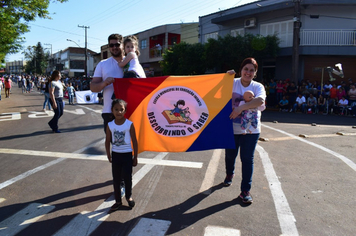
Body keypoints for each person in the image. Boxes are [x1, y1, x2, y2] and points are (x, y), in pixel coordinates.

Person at [224, 57, 266, 204]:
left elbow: (260, 101)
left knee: (247, 159)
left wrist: (240, 108)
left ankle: (245, 191)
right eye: (246, 69)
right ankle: (230, 174)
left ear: (255, 73)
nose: (248, 72)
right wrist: (224, 77)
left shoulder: (258, 86)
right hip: (231, 128)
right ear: (241, 69)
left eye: (251, 70)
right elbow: (215, 91)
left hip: (251, 130)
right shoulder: (232, 83)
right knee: (230, 155)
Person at [90, 33, 126, 196]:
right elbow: (93, 87)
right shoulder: (103, 64)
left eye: (117, 44)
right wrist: (105, 83)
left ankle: (124, 177)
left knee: (128, 147)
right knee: (117, 147)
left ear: (122, 45)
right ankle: (121, 180)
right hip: (109, 113)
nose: (114, 47)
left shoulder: (131, 64)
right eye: (111, 45)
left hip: (131, 112)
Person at [105, 99, 138, 211]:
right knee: (116, 179)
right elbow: (107, 140)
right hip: (116, 155)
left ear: (125, 111)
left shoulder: (129, 124)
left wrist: (135, 157)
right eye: (116, 109)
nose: (119, 112)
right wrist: (108, 154)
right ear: (112, 111)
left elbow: (134, 140)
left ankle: (129, 197)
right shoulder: (110, 125)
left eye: (121, 110)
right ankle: (118, 201)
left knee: (128, 177)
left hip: (127, 155)